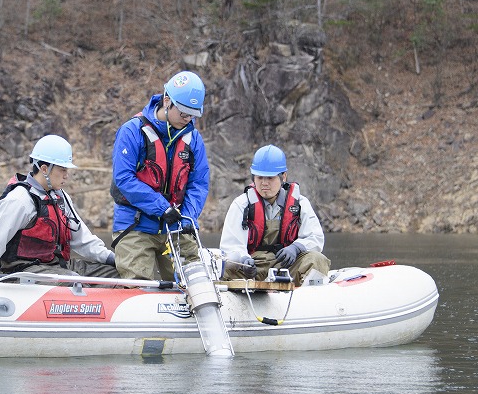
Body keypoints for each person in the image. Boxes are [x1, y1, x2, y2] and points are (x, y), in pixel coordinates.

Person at [110, 70, 210, 281]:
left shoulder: (194, 139)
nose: (187, 119)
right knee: (138, 287)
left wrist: (188, 217)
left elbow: (199, 184)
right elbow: (124, 178)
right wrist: (162, 208)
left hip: (176, 226)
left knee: (194, 282)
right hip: (135, 225)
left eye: (192, 115)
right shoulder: (132, 131)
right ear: (167, 101)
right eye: (183, 113)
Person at [0, 134, 117, 278]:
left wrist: (111, 259)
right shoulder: (20, 199)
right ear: (44, 169)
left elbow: (83, 239)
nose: (66, 175)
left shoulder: (61, 197)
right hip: (25, 270)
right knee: (72, 281)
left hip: (59, 266)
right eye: (62, 169)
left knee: (116, 273)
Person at [219, 144, 330, 286]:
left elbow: (316, 238)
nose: (264, 183)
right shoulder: (241, 204)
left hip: (288, 264)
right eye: (260, 177)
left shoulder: (300, 203)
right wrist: (243, 260)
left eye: (270, 178)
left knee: (317, 259)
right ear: (253, 177)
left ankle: (306, 293)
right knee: (223, 268)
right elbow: (230, 247)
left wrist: (296, 248)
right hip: (254, 268)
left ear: (283, 176)